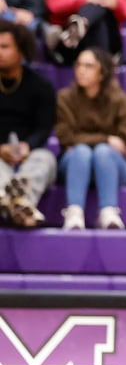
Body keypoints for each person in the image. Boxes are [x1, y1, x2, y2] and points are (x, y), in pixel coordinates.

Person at [55, 48, 126, 230]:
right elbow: (67, 138)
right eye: (79, 65)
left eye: (89, 66)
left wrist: (88, 141)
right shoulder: (65, 98)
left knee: (102, 153)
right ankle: (74, 213)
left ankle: (108, 212)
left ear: (102, 72)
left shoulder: (119, 99)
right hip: (74, 164)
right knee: (82, 152)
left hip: (111, 165)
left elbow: (123, 141)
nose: (81, 70)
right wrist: (105, 138)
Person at [0, 19, 56, 228]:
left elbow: (44, 128)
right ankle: (20, 206)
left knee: (46, 158)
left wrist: (27, 146)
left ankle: (15, 202)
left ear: (21, 50)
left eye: (5, 47)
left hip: (28, 154)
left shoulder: (41, 86)